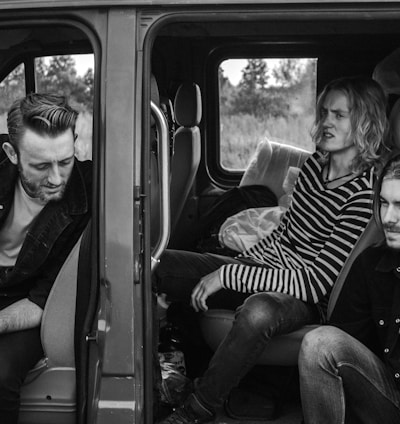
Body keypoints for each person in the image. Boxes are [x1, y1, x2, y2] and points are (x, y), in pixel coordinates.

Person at [154, 76, 389, 424]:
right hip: (264, 268)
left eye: (339, 115)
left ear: (365, 122)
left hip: (304, 297)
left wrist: (230, 275)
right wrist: (244, 263)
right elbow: (284, 234)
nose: (326, 122)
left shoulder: (363, 192)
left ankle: (196, 410)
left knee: (258, 311)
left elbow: (317, 282)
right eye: (324, 112)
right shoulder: (314, 166)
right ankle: (162, 372)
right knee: (161, 264)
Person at [0, 93, 91, 423]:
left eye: (65, 161)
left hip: (31, 301)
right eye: (40, 166)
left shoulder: (90, 195)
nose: (56, 178)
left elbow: (44, 299)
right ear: (11, 154)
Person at [299, 153, 400, 424]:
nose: (389, 217)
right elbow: (345, 337)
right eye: (383, 203)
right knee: (320, 342)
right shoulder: (370, 264)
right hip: (390, 394)